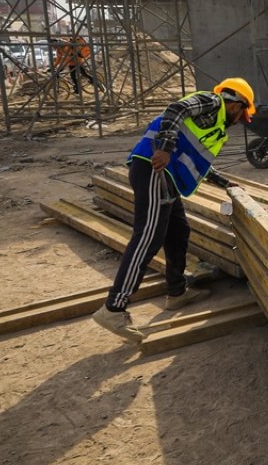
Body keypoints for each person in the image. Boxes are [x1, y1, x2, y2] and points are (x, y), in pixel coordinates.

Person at [92, 78, 256, 342]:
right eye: (241, 114)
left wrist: (224, 183)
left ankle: (177, 292)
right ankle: (113, 308)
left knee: (179, 231)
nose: (239, 121)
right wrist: (165, 148)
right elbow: (175, 110)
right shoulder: (212, 102)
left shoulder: (213, 126)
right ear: (236, 103)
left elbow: (196, 159)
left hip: (165, 177)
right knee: (148, 238)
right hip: (154, 170)